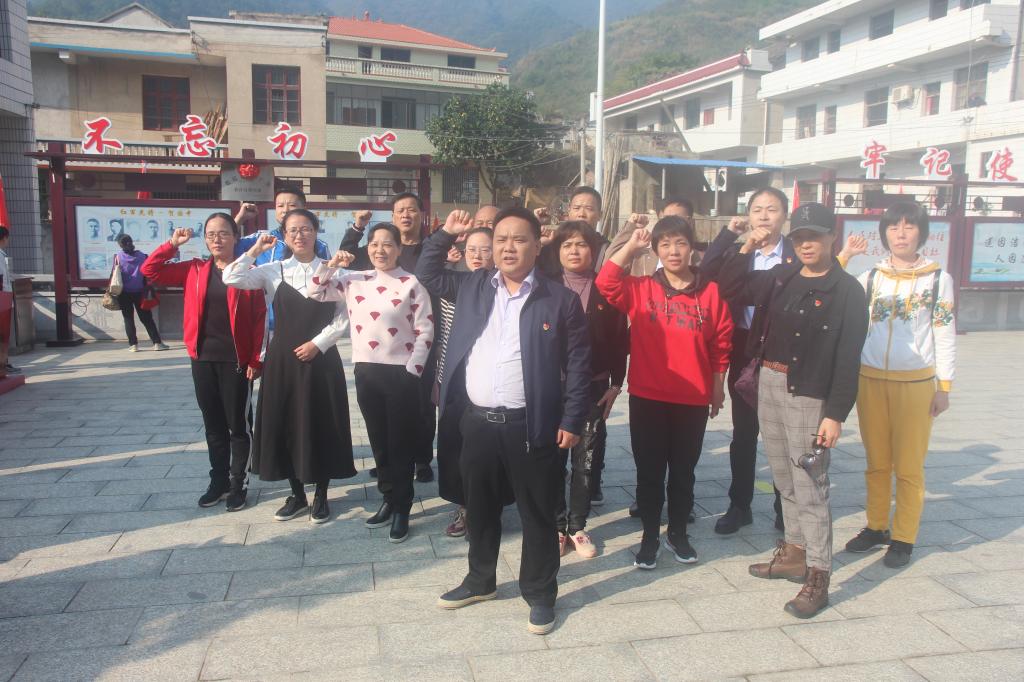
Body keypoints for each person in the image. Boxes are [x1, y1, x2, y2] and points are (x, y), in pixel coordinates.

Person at [418, 207, 591, 636]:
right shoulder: (473, 285)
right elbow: (427, 272)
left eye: (518, 239)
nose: (507, 247)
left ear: (537, 244)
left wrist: (573, 418)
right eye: (500, 239)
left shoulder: (559, 300)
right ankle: (481, 580)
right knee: (479, 508)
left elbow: (579, 364)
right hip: (476, 422)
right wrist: (445, 234)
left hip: (531, 426)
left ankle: (540, 592)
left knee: (537, 514)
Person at [719, 202, 867, 619]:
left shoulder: (848, 290)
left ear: (831, 237)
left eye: (815, 236)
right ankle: (795, 552)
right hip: (769, 382)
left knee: (810, 484)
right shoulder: (781, 276)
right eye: (800, 236)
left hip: (809, 394)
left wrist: (835, 414)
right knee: (783, 475)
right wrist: (747, 244)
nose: (806, 244)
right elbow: (728, 285)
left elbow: (849, 358)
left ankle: (819, 573)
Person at [597, 216, 732, 569]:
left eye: (681, 243)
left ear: (692, 249)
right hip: (648, 397)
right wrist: (631, 245)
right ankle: (649, 536)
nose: (674, 251)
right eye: (665, 244)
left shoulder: (710, 292)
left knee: (684, 471)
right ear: (656, 250)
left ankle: (678, 533)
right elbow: (605, 281)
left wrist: (717, 388)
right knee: (650, 472)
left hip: (692, 399)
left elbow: (721, 344)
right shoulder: (641, 289)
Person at [836, 202, 956, 568]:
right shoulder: (872, 276)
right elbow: (832, 288)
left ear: (922, 232)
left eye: (908, 226)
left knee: (908, 466)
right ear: (884, 233)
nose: (900, 234)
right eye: (893, 227)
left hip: (916, 383)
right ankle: (876, 526)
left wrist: (944, 386)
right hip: (870, 379)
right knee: (876, 462)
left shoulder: (938, 279)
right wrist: (845, 256)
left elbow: (944, 332)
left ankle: (904, 536)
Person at [222, 209, 356, 524]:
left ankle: (321, 494)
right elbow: (231, 277)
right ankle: (297, 495)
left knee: (321, 422)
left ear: (316, 232)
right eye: (293, 230)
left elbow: (344, 316)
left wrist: (318, 344)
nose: (300, 235)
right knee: (285, 422)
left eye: (306, 228)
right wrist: (254, 250)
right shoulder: (273, 270)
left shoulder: (333, 270)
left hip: (321, 359)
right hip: (282, 360)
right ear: (284, 236)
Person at [305, 223, 434, 543]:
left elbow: (425, 330)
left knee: (400, 443)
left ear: (399, 249)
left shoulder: (411, 283)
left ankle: (403, 506)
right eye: (374, 244)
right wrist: (331, 264)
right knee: (379, 441)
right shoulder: (354, 280)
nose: (380, 250)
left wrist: (413, 370)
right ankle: (388, 497)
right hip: (366, 372)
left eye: (388, 244)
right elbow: (315, 291)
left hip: (401, 374)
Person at [141, 215, 266, 511]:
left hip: (236, 360)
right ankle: (218, 481)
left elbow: (259, 318)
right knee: (213, 425)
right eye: (211, 234)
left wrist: (255, 359)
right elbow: (150, 271)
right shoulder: (194, 270)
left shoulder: (249, 273)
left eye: (223, 233)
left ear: (235, 237)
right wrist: (172, 244)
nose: (216, 239)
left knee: (238, 425)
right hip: (202, 358)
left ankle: (238, 483)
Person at [701, 187, 795, 535]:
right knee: (744, 432)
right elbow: (713, 278)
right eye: (757, 209)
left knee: (783, 433)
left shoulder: (795, 254)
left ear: (785, 215)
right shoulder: (739, 252)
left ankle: (786, 507)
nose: (764, 216)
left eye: (772, 209)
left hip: (783, 348)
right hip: (744, 348)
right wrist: (742, 245)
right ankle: (740, 505)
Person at [343, 193, 436, 483]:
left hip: (415, 348)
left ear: (421, 214)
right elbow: (346, 259)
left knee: (421, 409)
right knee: (382, 424)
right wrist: (357, 229)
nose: (406, 215)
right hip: (375, 359)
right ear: (393, 216)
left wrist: (413, 367)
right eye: (400, 210)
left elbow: (426, 323)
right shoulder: (371, 261)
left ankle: (420, 460)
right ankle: (388, 469)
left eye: (411, 210)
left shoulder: (429, 249)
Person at [549, 221, 629, 559]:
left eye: (581, 244)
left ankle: (577, 526)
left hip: (594, 385)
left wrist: (616, 384)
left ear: (593, 252)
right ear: (557, 251)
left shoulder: (606, 290)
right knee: (554, 458)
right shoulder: (546, 286)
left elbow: (620, 339)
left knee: (586, 459)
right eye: (567, 245)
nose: (573, 250)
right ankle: (556, 525)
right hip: (552, 387)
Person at [429, 224, 494, 538]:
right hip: (454, 381)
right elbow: (426, 272)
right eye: (472, 250)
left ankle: (487, 508)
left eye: (485, 249)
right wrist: (445, 235)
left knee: (485, 449)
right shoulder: (455, 282)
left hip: (490, 383)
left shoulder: (504, 286)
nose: (478, 255)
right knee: (455, 445)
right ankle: (465, 506)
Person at [235, 188, 331, 265]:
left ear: (304, 209)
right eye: (280, 206)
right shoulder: (261, 239)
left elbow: (325, 275)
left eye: (292, 205)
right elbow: (230, 245)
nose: (285, 210)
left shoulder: (319, 246)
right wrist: (240, 218)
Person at [605, 197, 695, 277]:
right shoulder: (641, 258)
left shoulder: (700, 260)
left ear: (690, 222)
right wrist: (631, 228)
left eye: (678, 219)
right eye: (666, 219)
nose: (672, 225)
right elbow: (608, 267)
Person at [114, 234, 168, 352]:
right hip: (141, 293)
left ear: (120, 245)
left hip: (124, 293)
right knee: (147, 318)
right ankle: (157, 343)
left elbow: (115, 275)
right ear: (132, 242)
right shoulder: (143, 256)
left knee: (128, 319)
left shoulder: (118, 257)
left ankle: (133, 345)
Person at [0, 226, 18, 375]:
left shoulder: (2, 254)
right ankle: (2, 363)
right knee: (3, 334)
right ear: (4, 238)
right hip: (2, 299)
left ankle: (4, 362)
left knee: (4, 334)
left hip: (5, 298)